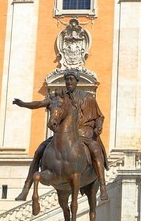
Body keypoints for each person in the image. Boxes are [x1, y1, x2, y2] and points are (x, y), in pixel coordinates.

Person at [13, 71, 109, 201]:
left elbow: (99, 116)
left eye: (71, 79)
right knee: (39, 151)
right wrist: (24, 104)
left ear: (76, 81)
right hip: (64, 135)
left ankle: (103, 186)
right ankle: (26, 188)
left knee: (96, 151)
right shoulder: (60, 97)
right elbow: (40, 104)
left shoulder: (88, 98)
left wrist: (98, 126)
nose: (69, 82)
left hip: (84, 133)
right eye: (67, 80)